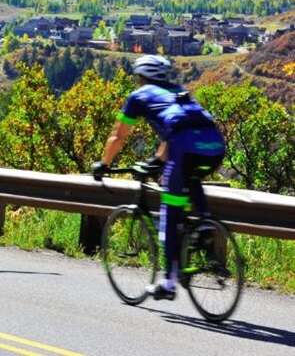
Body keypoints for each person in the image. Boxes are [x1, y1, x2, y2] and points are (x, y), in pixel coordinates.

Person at [92, 54, 225, 301]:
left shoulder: (139, 96)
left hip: (185, 149)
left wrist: (104, 163)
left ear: (141, 77)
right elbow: (172, 132)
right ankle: (205, 222)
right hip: (215, 147)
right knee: (191, 176)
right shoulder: (177, 91)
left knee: (170, 212)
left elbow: (118, 136)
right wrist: (156, 160)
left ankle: (168, 282)